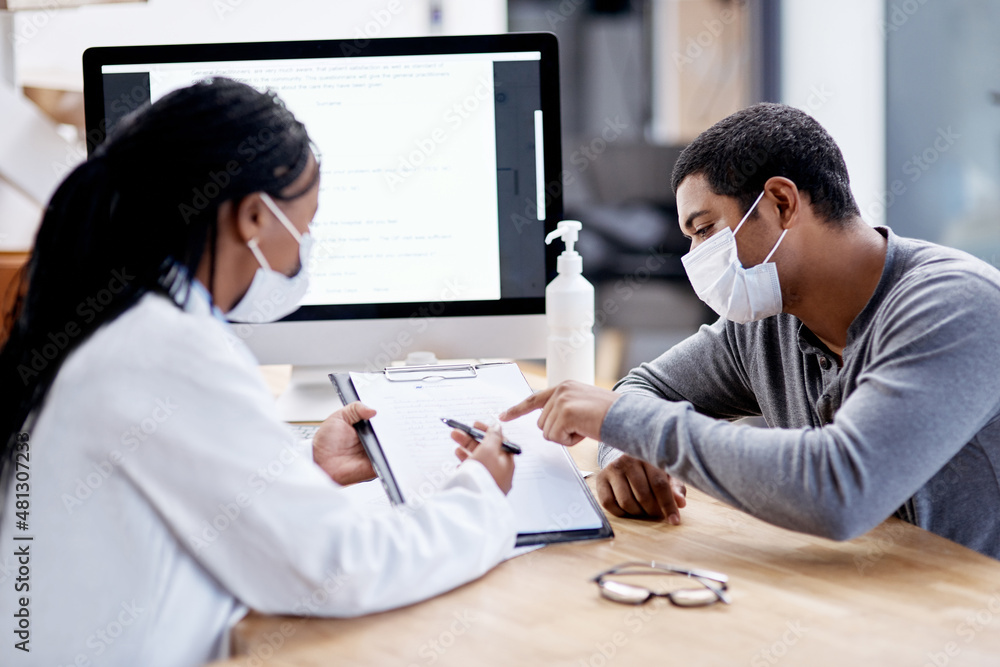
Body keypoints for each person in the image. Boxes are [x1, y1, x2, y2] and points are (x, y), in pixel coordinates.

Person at [0, 78, 516, 665]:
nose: (306, 248)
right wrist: (481, 494)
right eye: (307, 224)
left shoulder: (115, 321)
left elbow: (184, 482)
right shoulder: (167, 349)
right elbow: (341, 567)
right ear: (252, 215)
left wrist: (306, 466)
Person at [502, 102, 1000, 561]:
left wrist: (633, 422)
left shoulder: (953, 304)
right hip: (870, 602)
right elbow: (648, 388)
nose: (696, 258)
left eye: (704, 230)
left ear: (781, 202)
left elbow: (840, 489)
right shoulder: (771, 322)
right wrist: (627, 449)